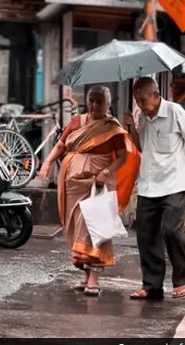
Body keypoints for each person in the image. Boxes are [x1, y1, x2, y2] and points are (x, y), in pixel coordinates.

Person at [39, 86, 139, 297]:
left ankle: (94, 278)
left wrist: (106, 171)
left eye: (99, 101)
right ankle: (85, 276)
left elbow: (122, 156)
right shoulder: (76, 122)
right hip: (72, 182)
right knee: (76, 228)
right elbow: (61, 145)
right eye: (91, 101)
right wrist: (47, 162)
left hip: (97, 183)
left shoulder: (112, 126)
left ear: (108, 104)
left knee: (93, 228)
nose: (94, 105)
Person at [125, 77, 185, 300]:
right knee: (146, 235)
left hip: (174, 183)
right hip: (149, 183)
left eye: (143, 99)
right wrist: (131, 127)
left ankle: (181, 280)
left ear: (156, 95)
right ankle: (151, 285)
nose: (140, 105)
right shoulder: (142, 118)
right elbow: (140, 146)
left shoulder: (175, 112)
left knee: (170, 229)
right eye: (137, 100)